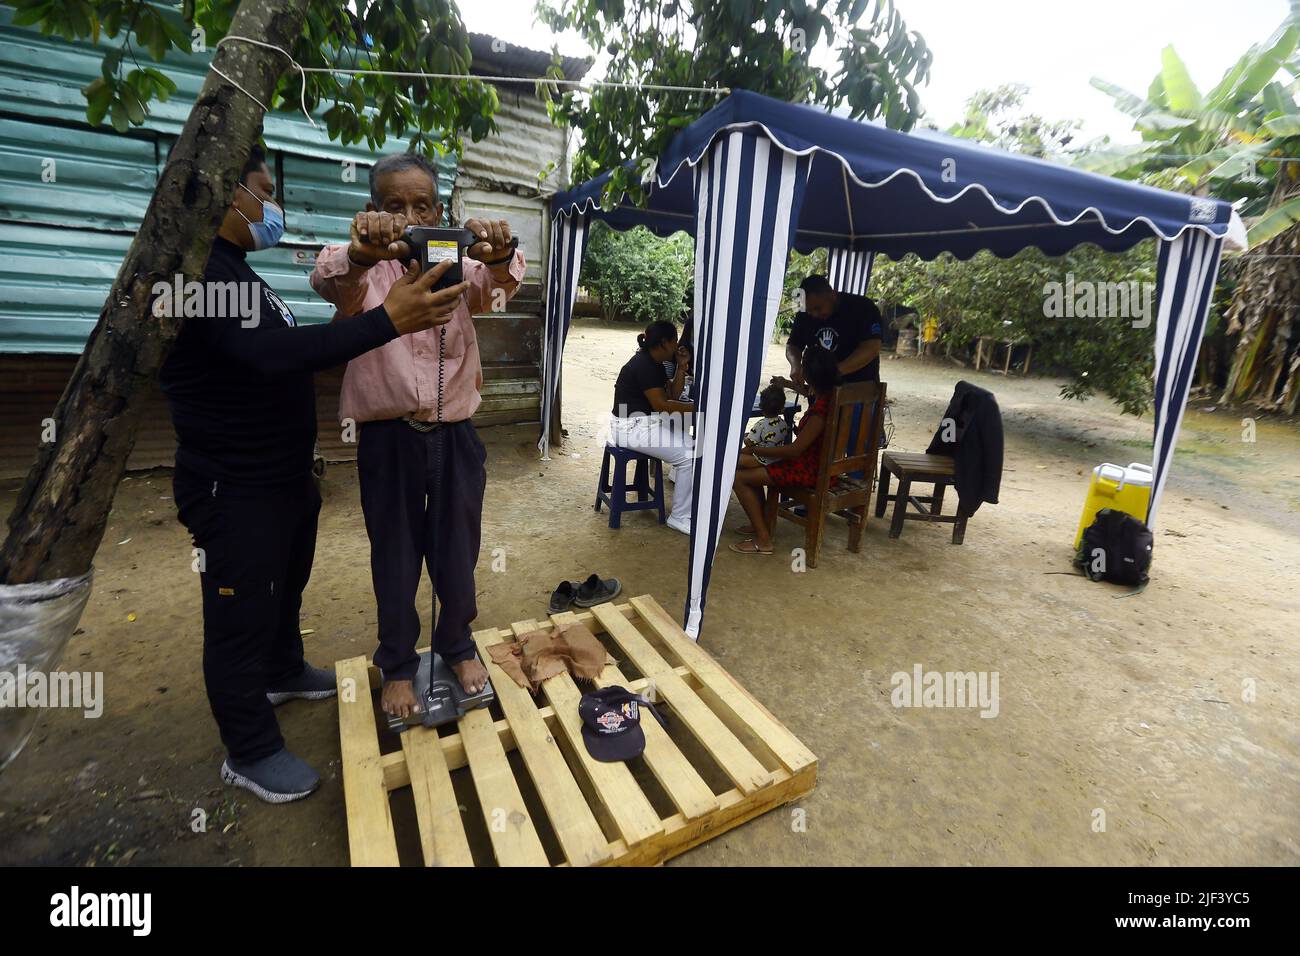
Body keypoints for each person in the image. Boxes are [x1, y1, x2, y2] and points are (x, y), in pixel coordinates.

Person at [161, 144, 464, 803]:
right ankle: (251, 747)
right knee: (238, 611)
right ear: (222, 195)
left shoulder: (234, 268)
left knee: (285, 584)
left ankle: (285, 668)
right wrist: (388, 320)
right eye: (263, 191)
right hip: (232, 485)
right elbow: (275, 355)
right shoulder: (197, 276)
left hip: (280, 475)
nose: (273, 206)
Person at [309, 153, 524, 722]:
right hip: (389, 441)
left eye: (421, 204)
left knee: (457, 553)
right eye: (394, 205)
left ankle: (456, 646)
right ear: (374, 210)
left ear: (439, 209)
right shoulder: (364, 272)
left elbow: (502, 283)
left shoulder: (455, 265)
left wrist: (498, 252)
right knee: (396, 559)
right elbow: (327, 277)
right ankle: (398, 664)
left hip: (455, 438)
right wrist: (360, 249)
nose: (409, 216)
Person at [729, 346, 842, 554]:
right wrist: (787, 384)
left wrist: (759, 451)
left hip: (808, 470)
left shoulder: (819, 413)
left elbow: (794, 451)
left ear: (809, 374)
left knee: (738, 477)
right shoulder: (831, 395)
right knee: (745, 472)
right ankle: (760, 524)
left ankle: (763, 539)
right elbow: (809, 391)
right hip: (815, 464)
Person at [609, 320, 696, 535]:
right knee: (689, 455)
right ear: (664, 343)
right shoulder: (644, 365)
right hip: (629, 427)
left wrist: (682, 367)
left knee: (693, 446)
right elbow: (663, 406)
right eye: (675, 340)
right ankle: (679, 517)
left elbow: (672, 397)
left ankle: (684, 512)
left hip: (642, 422)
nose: (678, 345)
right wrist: (701, 408)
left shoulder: (654, 363)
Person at [786, 274, 884, 384]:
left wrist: (835, 372)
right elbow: (793, 345)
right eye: (809, 311)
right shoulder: (804, 313)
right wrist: (795, 365)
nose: (814, 314)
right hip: (820, 386)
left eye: (818, 308)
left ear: (832, 294)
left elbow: (872, 347)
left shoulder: (862, 308)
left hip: (859, 388)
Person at [745, 383, 791, 465]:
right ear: (782, 409)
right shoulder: (783, 423)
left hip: (762, 459)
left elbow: (749, 443)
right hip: (778, 458)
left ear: (760, 406)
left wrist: (744, 437)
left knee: (738, 457)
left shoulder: (760, 425)